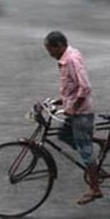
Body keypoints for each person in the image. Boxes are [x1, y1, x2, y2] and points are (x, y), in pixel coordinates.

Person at [44, 31, 103, 205]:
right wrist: (60, 101)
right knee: (64, 135)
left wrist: (73, 108)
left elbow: (84, 88)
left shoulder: (71, 60)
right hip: (75, 109)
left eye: (50, 50)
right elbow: (73, 87)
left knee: (85, 150)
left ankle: (95, 189)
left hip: (81, 113)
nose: (50, 54)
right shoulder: (67, 57)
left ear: (60, 46)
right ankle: (100, 141)